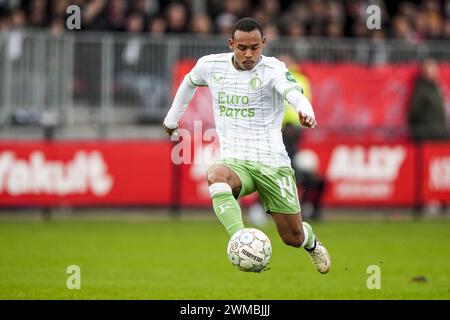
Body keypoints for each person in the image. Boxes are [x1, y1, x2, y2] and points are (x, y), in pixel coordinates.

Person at [163, 18, 330, 274]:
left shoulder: (273, 69)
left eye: (255, 47)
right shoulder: (211, 65)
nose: (248, 54)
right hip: (236, 161)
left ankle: (311, 243)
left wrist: (305, 111)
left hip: (272, 163)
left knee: (292, 237)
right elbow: (189, 81)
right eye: (242, 48)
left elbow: (294, 93)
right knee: (215, 174)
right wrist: (171, 120)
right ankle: (240, 241)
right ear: (231, 44)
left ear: (264, 43)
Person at [408, 58, 448, 142]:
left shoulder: (435, 87)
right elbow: (414, 112)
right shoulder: (421, 89)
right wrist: (424, 129)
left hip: (439, 132)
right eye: (431, 71)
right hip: (429, 135)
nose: (435, 73)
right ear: (425, 72)